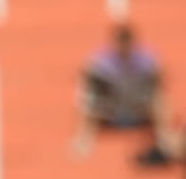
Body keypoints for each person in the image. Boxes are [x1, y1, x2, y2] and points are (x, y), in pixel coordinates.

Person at [70, 23, 181, 166]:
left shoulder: (145, 59)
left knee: (161, 101)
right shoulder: (102, 60)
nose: (123, 48)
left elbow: (161, 79)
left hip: (137, 107)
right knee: (86, 100)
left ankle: (165, 138)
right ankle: (83, 138)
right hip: (112, 108)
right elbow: (87, 78)